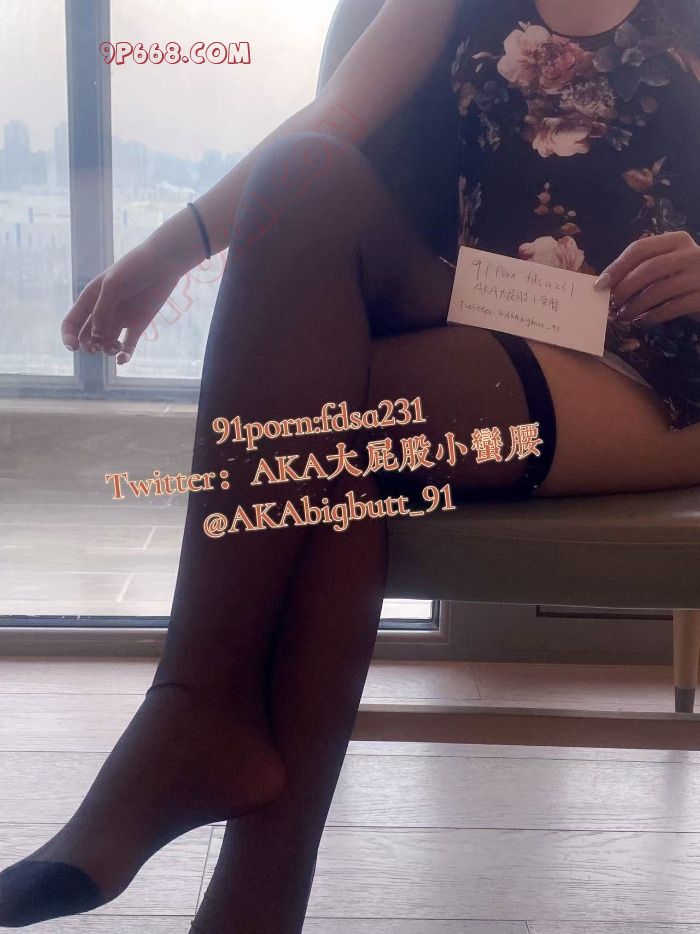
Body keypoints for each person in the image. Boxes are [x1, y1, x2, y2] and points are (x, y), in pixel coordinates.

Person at [1, 0, 699, 930]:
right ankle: (200, 723)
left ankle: (213, 762)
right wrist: (166, 256)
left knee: (311, 418)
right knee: (305, 169)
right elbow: (330, 116)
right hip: (488, 304)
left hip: (655, 356)